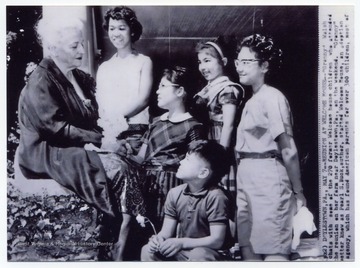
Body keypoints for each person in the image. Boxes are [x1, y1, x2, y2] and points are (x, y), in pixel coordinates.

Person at [94, 66, 205, 260]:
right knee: (144, 236)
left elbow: (195, 165)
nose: (157, 91)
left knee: (166, 238)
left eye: (163, 86)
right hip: (146, 185)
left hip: (172, 187)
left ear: (180, 91)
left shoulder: (193, 126)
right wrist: (118, 150)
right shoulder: (155, 122)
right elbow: (140, 159)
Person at [16, 16, 118, 218]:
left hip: (69, 146)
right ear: (53, 49)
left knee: (124, 161)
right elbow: (57, 129)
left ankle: (125, 234)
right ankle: (116, 231)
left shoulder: (79, 77)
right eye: (74, 46)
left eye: (82, 43)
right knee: (116, 168)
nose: (81, 50)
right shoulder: (40, 81)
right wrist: (102, 141)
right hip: (46, 152)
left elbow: (90, 119)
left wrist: (111, 136)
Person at [235, 34, 307, 261]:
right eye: (238, 62)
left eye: (247, 62)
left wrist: (298, 192)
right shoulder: (251, 100)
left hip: (268, 175)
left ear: (264, 65)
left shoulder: (273, 97)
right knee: (249, 250)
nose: (240, 67)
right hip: (246, 175)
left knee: (273, 251)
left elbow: (289, 150)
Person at [141, 140, 233, 261]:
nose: (181, 161)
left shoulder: (216, 196)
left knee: (198, 254)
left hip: (212, 254)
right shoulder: (175, 193)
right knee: (147, 250)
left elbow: (217, 241)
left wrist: (182, 243)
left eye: (188, 160)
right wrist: (158, 240)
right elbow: (166, 232)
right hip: (184, 253)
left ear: (203, 173)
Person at [96, 6, 153, 153]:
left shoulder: (144, 61)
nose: (116, 33)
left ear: (132, 30)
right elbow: (101, 103)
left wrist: (119, 117)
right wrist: (108, 126)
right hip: (108, 131)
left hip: (136, 132)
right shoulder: (104, 67)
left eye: (121, 28)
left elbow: (144, 99)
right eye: (112, 28)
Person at [194, 36, 244, 195]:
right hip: (210, 141)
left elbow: (228, 125)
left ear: (223, 62)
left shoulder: (227, 89)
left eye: (207, 60)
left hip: (223, 144)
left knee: (223, 190)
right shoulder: (209, 89)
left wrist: (220, 156)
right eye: (200, 62)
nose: (202, 67)